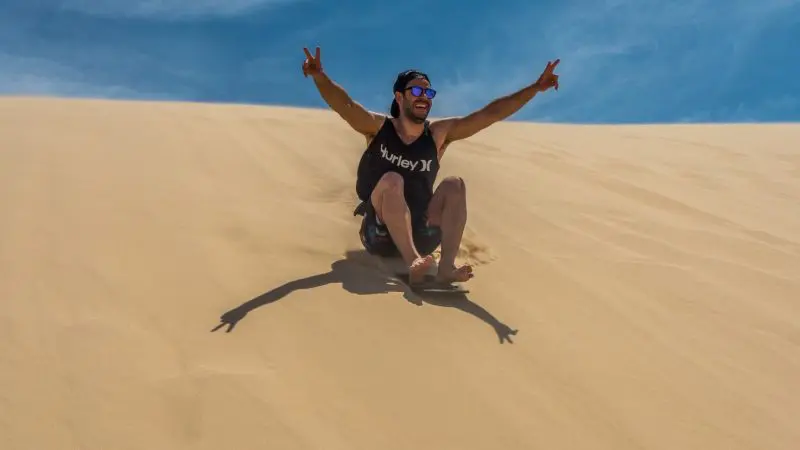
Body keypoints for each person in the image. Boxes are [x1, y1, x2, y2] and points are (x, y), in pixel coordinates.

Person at [301, 46, 560, 285]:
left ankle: (445, 267)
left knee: (454, 185)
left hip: (423, 232)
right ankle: (413, 260)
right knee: (393, 180)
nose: (424, 96)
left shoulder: (438, 135)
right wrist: (319, 77)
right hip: (379, 233)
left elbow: (489, 115)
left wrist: (535, 88)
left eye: (428, 92)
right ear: (399, 97)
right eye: (416, 91)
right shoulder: (378, 128)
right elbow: (345, 106)